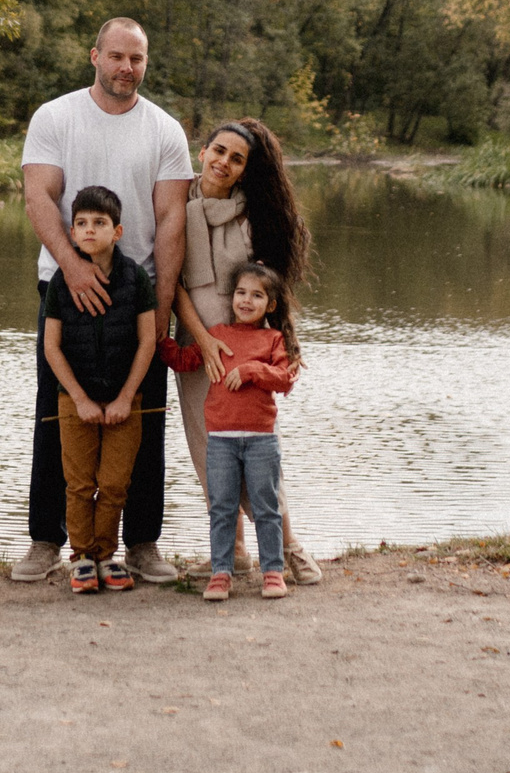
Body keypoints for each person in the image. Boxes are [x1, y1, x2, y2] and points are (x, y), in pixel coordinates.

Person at [15, 18, 194, 585]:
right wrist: (72, 265)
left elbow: (170, 221)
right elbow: (38, 194)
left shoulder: (164, 130)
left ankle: (142, 544)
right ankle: (46, 542)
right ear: (95, 55)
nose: (126, 68)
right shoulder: (56, 116)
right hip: (64, 284)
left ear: (145, 62)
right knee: (57, 413)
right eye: (116, 56)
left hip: (135, 289)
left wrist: (161, 308)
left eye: (136, 59)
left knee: (140, 419)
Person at [171, 118, 323, 583]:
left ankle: (288, 545)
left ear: (245, 170)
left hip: (244, 344)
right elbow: (173, 281)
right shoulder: (177, 201)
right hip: (199, 342)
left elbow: (266, 290)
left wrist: (259, 348)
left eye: (237, 159)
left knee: (254, 450)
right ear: (203, 151)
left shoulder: (254, 215)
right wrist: (201, 337)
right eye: (219, 151)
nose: (224, 163)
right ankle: (234, 552)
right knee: (208, 446)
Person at [40, 186, 159, 593]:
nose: (90, 230)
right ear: (71, 232)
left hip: (127, 401)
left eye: (100, 223)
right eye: (81, 224)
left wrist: (126, 397)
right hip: (76, 400)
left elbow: (147, 342)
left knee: (113, 483)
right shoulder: (61, 280)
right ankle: (82, 557)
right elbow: (51, 347)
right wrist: (80, 398)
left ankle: (107, 554)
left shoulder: (135, 278)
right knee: (78, 484)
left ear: (118, 230)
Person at [161, 264, 298, 601]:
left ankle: (273, 573)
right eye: (241, 293)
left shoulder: (273, 340)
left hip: (261, 441)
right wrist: (153, 339)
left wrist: (252, 370)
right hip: (221, 441)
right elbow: (184, 360)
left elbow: (285, 380)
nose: (246, 301)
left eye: (256, 295)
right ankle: (222, 573)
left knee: (266, 508)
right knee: (221, 508)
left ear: (271, 305)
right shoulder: (217, 334)